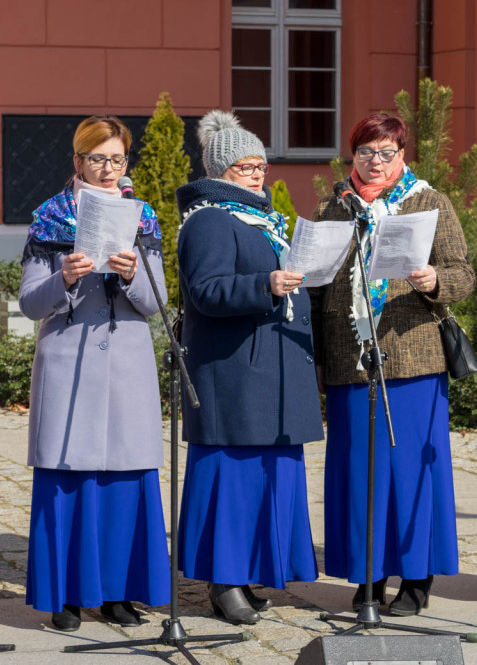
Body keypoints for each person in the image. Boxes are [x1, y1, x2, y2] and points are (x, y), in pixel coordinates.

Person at [309, 113, 474, 616]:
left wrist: (432, 281)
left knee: (411, 473)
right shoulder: (334, 209)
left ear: (403, 155)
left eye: (386, 152)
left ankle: (416, 579)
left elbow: (463, 274)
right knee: (359, 474)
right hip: (349, 359)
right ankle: (367, 577)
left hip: (413, 357)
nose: (376, 162)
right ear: (352, 156)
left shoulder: (430, 202)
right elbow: (316, 288)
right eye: (365, 153)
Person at [20, 115, 170, 631]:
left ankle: (118, 594)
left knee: (125, 480)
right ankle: (64, 595)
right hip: (69, 362)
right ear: (78, 162)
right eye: (98, 159)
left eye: (118, 159)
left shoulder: (141, 215)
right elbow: (29, 302)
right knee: (69, 478)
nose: (109, 169)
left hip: (127, 364)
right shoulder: (50, 217)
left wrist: (133, 275)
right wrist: (62, 277)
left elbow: (157, 303)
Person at [174, 111, 324, 625]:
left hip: (272, 369)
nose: (257, 174)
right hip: (234, 373)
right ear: (220, 170)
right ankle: (223, 581)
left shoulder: (265, 218)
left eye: (261, 165)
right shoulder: (211, 219)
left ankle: (253, 572)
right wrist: (265, 285)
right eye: (244, 166)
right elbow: (206, 290)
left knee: (267, 481)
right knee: (233, 483)